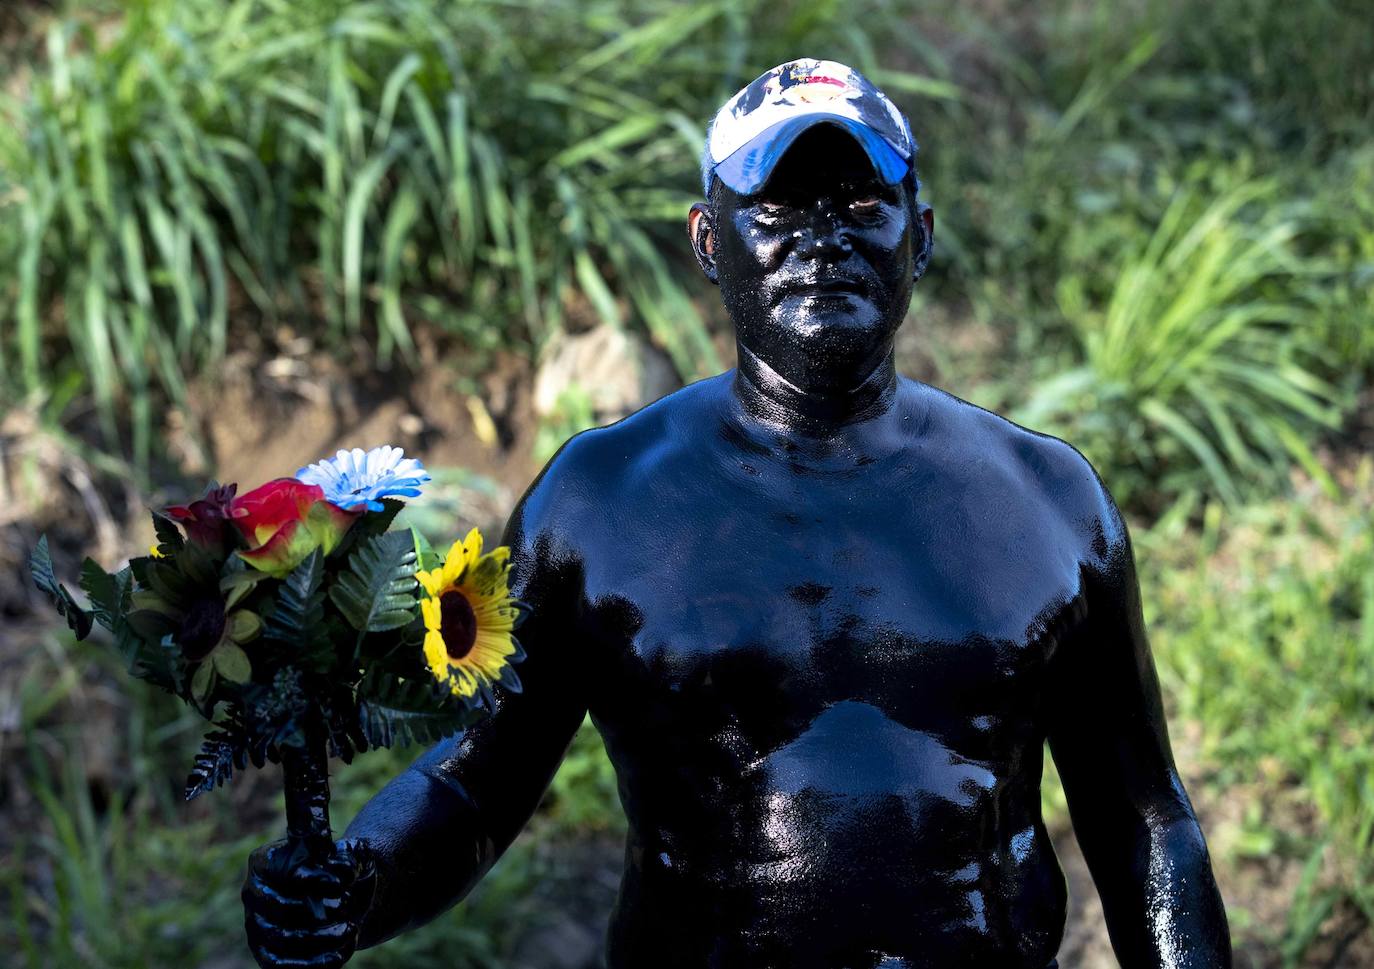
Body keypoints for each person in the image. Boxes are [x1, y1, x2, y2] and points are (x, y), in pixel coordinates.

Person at [242, 58, 1232, 968]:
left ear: (919, 236)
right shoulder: (600, 502)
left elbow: (1143, 817)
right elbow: (475, 782)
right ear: (710, 242)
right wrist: (356, 885)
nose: (822, 238)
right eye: (777, 207)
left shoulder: (1047, 501)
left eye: (859, 202)